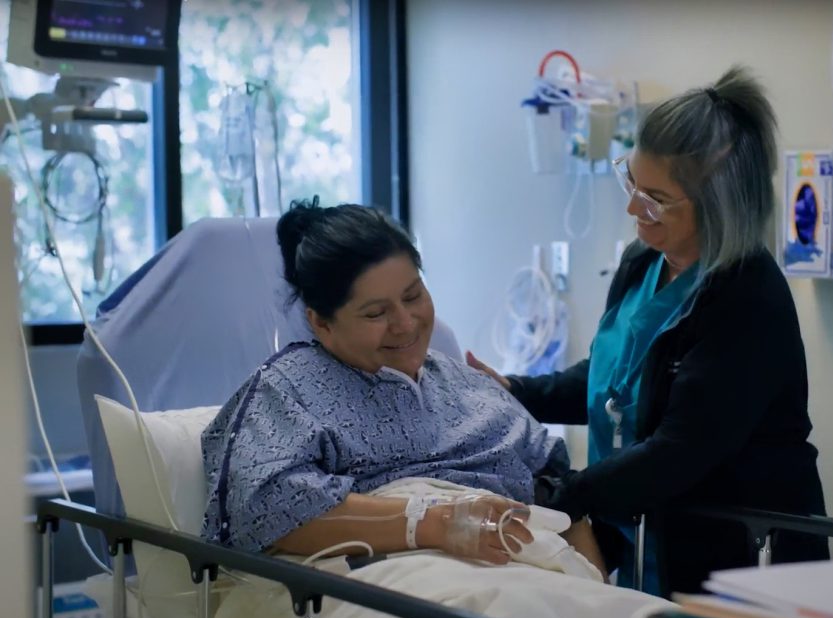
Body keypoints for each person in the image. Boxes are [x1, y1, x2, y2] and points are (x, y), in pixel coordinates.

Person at [467, 65, 829, 596]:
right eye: (630, 180)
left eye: (656, 197)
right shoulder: (644, 262)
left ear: (718, 205)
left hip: (741, 556)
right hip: (646, 533)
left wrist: (565, 493)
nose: (633, 207)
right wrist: (517, 393)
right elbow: (612, 379)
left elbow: (682, 448)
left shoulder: (747, 297)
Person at [200, 198, 604, 571]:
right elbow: (266, 509)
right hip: (398, 582)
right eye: (376, 313)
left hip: (530, 567)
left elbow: (559, 492)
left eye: (413, 296)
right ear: (321, 322)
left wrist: (594, 590)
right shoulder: (286, 392)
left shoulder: (467, 384)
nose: (405, 324)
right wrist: (428, 522)